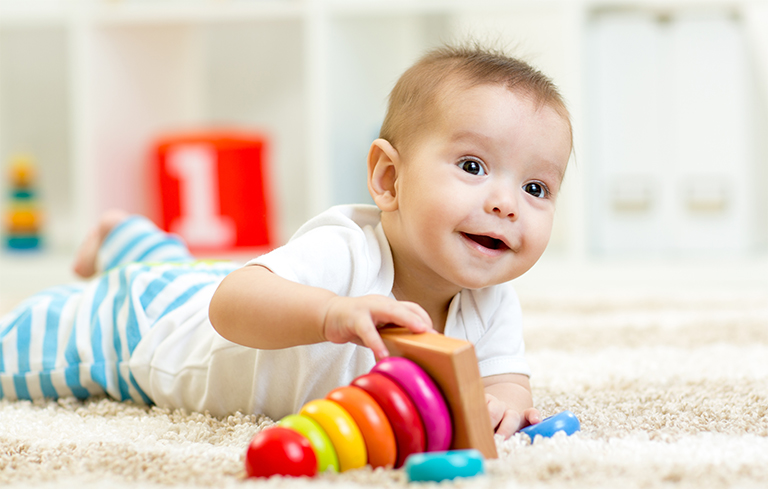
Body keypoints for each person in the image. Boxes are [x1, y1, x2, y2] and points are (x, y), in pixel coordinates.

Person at [0, 44, 572, 439]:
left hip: (191, 286)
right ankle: (126, 252)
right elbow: (230, 303)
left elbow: (503, 382)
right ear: (388, 179)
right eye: (473, 166)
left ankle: (125, 237)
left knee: (180, 272)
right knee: (23, 346)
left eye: (536, 186)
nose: (507, 203)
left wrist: (502, 412)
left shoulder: (490, 300)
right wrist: (333, 313)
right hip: (144, 332)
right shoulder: (346, 250)